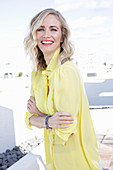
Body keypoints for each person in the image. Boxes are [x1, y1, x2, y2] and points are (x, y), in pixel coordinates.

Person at [24, 8, 102, 170]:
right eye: (40, 29)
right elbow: (28, 118)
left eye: (53, 29)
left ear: (62, 36)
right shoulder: (37, 75)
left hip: (77, 160)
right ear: (34, 35)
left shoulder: (67, 70)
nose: (46, 35)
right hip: (53, 160)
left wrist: (42, 117)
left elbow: (65, 129)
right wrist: (48, 120)